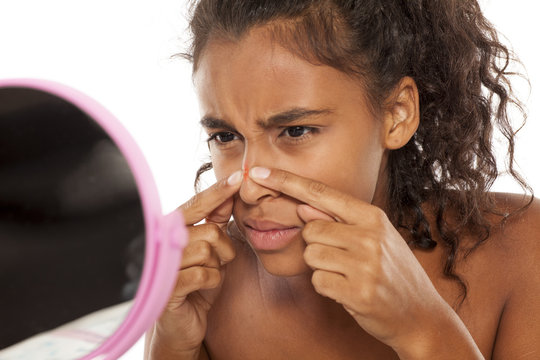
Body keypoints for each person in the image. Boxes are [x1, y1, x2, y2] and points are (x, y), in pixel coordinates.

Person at [145, 1, 540, 359]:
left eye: (296, 131)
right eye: (225, 137)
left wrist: (426, 331)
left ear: (396, 115)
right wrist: (168, 345)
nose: (249, 188)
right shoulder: (202, 289)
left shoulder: (521, 251)